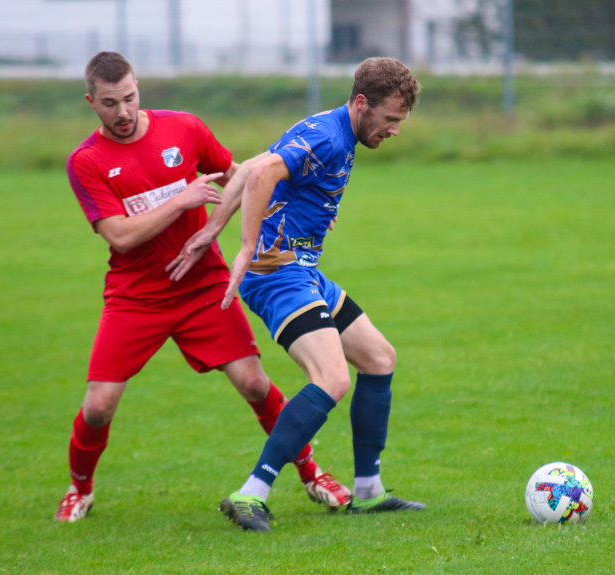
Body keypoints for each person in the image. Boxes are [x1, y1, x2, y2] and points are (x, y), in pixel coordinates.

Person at [54, 51, 350, 522]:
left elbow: (243, 178)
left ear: (138, 89)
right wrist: (181, 200)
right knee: (98, 406)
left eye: (129, 98)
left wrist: (295, 219)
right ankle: (80, 488)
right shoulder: (86, 162)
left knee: (254, 382)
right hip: (136, 297)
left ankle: (312, 473)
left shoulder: (184, 129)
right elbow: (119, 235)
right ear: (92, 102)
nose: (124, 112)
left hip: (202, 285)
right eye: (110, 103)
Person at [167, 57, 425, 532]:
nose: (393, 131)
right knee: (331, 378)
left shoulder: (330, 129)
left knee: (378, 357)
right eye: (389, 120)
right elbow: (262, 173)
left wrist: (213, 229)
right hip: (277, 270)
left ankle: (368, 491)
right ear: (361, 103)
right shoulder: (328, 137)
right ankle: (251, 492)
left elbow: (244, 170)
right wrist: (245, 246)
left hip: (302, 267)